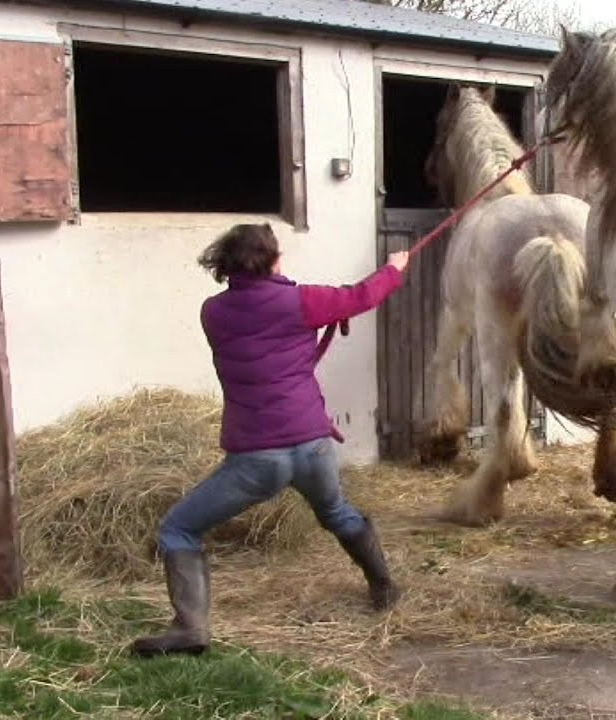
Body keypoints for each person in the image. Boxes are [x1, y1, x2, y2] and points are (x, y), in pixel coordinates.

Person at [133, 222, 410, 657]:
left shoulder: (214, 312)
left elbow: (268, 318)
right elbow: (360, 296)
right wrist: (394, 268)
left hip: (256, 459)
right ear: (274, 260)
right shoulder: (302, 301)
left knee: (178, 529)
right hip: (313, 445)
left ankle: (190, 627)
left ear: (226, 265)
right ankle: (384, 587)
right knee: (336, 513)